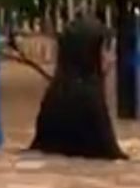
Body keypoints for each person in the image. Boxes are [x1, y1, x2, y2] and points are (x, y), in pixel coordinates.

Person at [29, 16, 128, 160]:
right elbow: (112, 156)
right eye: (106, 50)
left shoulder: (54, 93)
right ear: (90, 53)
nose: (111, 58)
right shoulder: (91, 99)